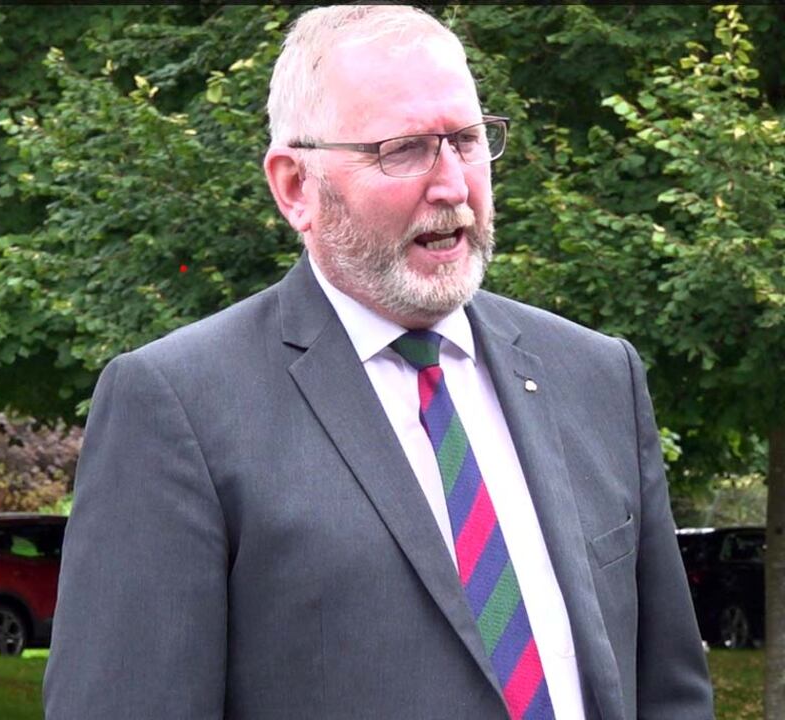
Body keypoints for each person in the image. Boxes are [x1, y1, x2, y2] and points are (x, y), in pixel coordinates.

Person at [44, 5, 714, 719]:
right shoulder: (177, 406)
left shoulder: (598, 376)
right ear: (296, 186)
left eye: (466, 139)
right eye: (404, 150)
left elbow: (670, 691)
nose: (454, 184)